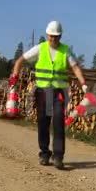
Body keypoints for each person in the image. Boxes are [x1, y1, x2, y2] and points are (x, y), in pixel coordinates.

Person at [10, 20, 87, 169]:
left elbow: (75, 67)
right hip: (43, 91)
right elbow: (20, 60)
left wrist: (83, 83)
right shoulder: (40, 48)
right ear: (47, 35)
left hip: (59, 92)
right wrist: (15, 74)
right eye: (51, 36)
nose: (53, 39)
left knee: (58, 122)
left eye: (56, 36)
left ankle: (58, 156)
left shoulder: (65, 51)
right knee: (43, 123)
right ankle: (44, 153)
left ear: (61, 36)